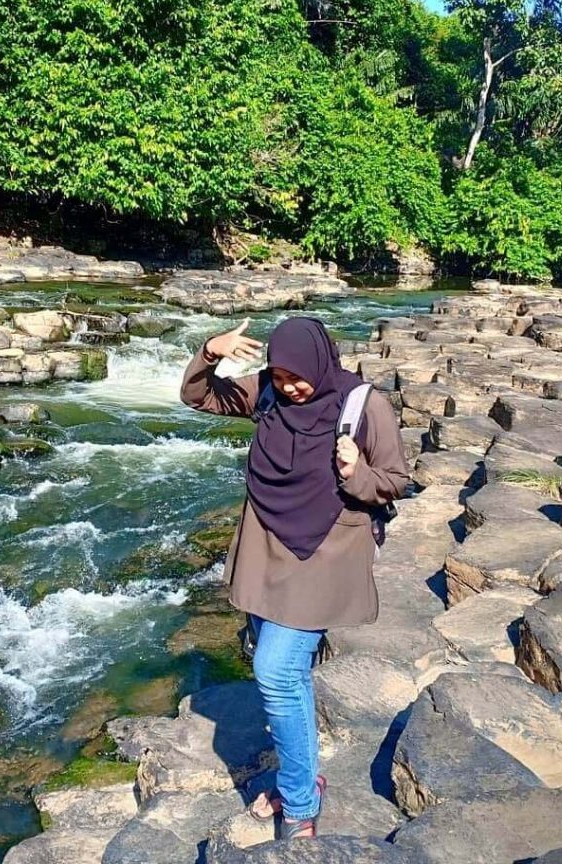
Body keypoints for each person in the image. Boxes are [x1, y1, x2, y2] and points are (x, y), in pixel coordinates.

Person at [179, 315, 410, 839]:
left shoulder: (363, 404)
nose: (289, 386)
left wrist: (356, 473)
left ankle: (301, 805)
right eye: (279, 375)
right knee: (288, 678)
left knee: (276, 672)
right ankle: (300, 777)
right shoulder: (266, 391)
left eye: (296, 376)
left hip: (324, 552)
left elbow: (395, 481)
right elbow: (198, 397)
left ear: (321, 361)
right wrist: (210, 351)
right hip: (267, 549)